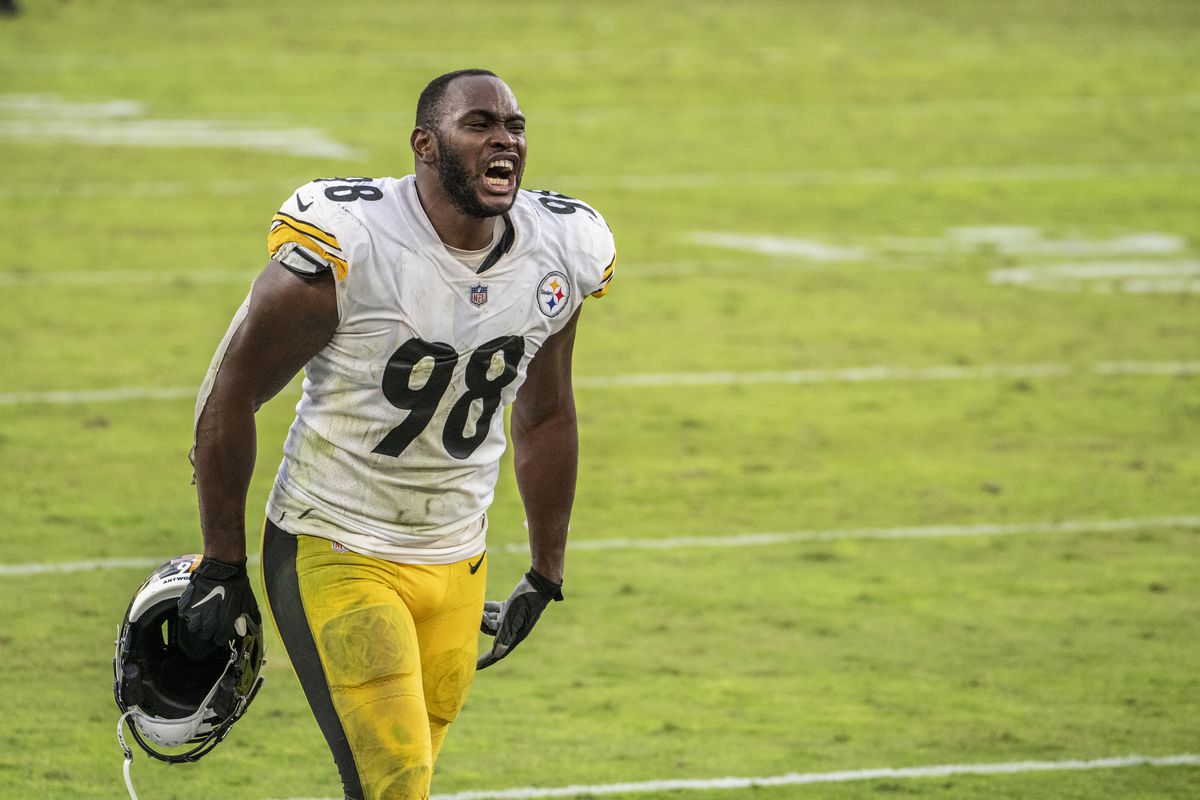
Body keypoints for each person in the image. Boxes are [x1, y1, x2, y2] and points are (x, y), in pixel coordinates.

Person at [176, 69, 615, 800]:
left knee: (396, 783)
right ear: (424, 144)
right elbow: (231, 393)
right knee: (396, 783)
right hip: (336, 543)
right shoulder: (354, 245)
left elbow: (546, 411)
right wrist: (223, 564)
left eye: (515, 125)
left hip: (457, 558)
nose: (504, 138)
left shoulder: (560, 248)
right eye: (479, 123)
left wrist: (546, 569)